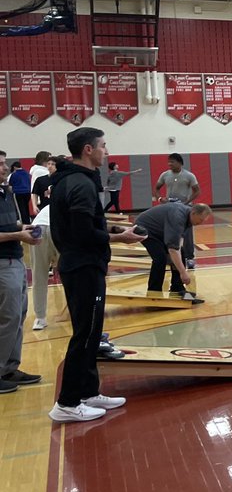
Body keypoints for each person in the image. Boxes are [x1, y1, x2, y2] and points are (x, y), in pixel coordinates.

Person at [48, 126, 145, 423]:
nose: (107, 151)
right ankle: (66, 404)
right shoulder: (79, 183)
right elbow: (81, 232)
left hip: (84, 264)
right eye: (104, 145)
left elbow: (91, 223)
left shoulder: (78, 179)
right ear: (88, 150)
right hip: (82, 267)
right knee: (85, 335)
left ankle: (88, 392)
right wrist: (119, 239)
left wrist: (115, 229)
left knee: (91, 335)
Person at [0, 150, 43, 394]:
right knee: (6, 319)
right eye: (0, 165)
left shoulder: (5, 193)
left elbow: (7, 224)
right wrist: (19, 235)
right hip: (2, 264)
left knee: (17, 317)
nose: (4, 168)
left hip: (14, 261)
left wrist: (22, 227)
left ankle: (9, 368)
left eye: (4, 163)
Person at [135, 202, 213, 299]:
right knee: (160, 258)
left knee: (181, 253)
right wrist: (183, 273)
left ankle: (177, 289)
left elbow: (178, 244)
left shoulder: (188, 217)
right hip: (144, 228)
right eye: (201, 220)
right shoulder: (178, 217)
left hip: (160, 230)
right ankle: (153, 293)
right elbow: (172, 249)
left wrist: (178, 255)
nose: (201, 223)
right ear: (193, 213)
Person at [29, 156, 63, 331]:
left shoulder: (67, 180)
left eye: (53, 164)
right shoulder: (42, 178)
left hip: (57, 224)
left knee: (67, 272)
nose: (50, 166)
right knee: (40, 273)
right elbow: (34, 194)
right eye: (48, 163)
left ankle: (42, 318)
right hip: (43, 224)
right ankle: (40, 317)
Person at [8, 161, 32, 225]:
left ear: (14, 167)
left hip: (18, 193)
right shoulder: (27, 173)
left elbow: (10, 186)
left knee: (20, 208)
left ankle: (23, 223)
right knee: (26, 207)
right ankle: (28, 221)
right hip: (27, 192)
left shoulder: (14, 174)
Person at [28, 151, 52, 216]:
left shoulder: (41, 170)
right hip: (41, 199)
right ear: (43, 160)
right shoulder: (39, 171)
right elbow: (35, 190)